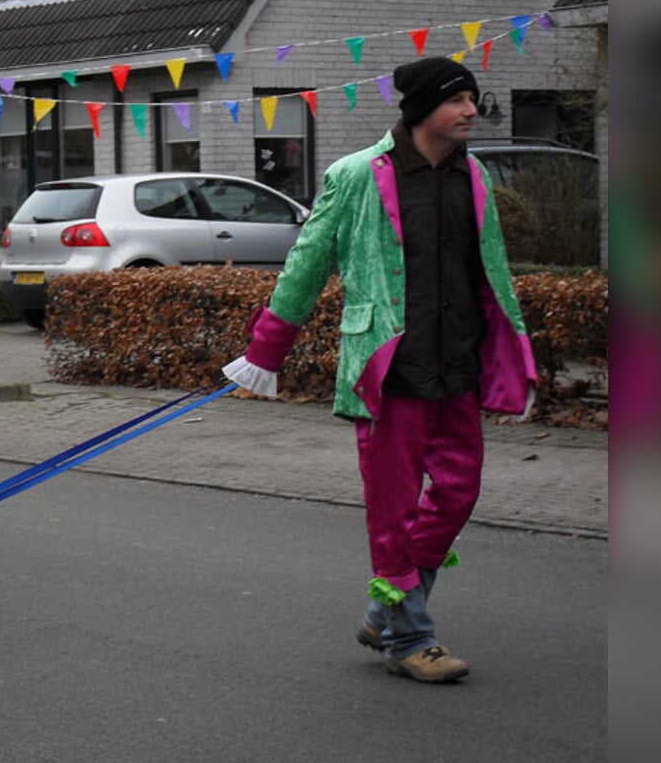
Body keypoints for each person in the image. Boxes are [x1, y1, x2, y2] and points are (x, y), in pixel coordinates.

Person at [223, 56, 536, 684]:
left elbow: (491, 270)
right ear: (423, 110)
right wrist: (265, 353)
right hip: (389, 366)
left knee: (457, 492)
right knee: (392, 506)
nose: (472, 111)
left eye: (474, 99)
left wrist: (509, 347)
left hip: (459, 362)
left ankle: (385, 608)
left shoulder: (472, 174)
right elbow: (307, 264)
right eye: (459, 101)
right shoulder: (357, 175)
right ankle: (411, 637)